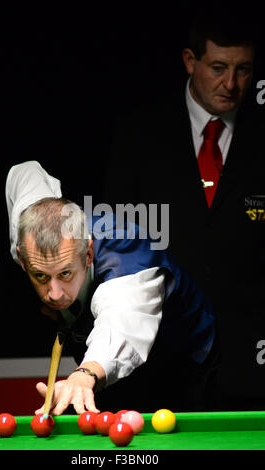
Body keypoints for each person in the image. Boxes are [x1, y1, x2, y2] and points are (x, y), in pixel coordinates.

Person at [103, 10, 265, 410]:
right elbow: (114, 244)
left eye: (243, 70)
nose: (231, 84)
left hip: (249, 369)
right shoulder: (138, 137)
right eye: (218, 67)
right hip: (162, 362)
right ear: (190, 61)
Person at [5, 160, 216, 415]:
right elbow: (24, 171)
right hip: (101, 367)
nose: (55, 293)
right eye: (40, 276)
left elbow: (121, 324)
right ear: (22, 255)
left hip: (183, 360)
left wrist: (84, 373)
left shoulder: (126, 263)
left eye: (65, 273)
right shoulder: (27, 229)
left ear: (88, 253)